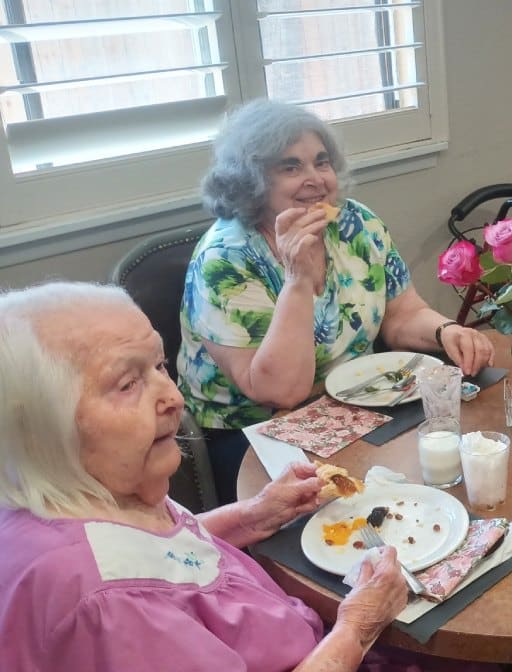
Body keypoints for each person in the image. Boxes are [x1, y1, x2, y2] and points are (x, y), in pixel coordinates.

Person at [0, 282, 497, 672]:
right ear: (40, 427)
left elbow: (160, 559)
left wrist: (253, 514)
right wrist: (357, 628)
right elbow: (131, 584)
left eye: (159, 365)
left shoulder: (72, 493)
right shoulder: (103, 607)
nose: (173, 397)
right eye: (128, 383)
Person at [179, 99, 495, 504]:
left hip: (357, 406)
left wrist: (445, 330)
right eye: (290, 167)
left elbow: (402, 314)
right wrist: (297, 277)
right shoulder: (225, 259)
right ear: (251, 181)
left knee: (442, 473)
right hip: (252, 438)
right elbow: (281, 392)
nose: (314, 178)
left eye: (321, 162)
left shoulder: (355, 223)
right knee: (361, 511)